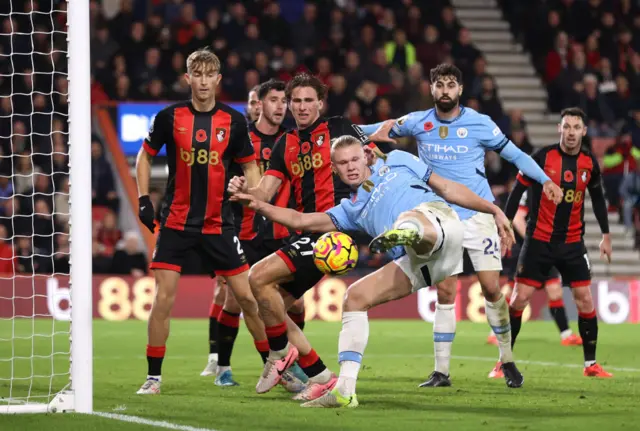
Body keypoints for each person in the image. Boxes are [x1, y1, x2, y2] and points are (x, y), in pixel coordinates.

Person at [229, 136, 515, 407]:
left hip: (441, 224)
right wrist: (258, 205)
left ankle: (407, 231)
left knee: (410, 218)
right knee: (355, 297)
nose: (351, 166)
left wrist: (494, 210)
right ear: (335, 168)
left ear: (366, 156)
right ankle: (344, 391)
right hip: (423, 264)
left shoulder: (399, 160)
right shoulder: (350, 209)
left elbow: (448, 188)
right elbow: (300, 219)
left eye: (355, 159)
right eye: (342, 163)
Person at [357, 63, 563, 388]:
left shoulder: (481, 124)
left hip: (479, 215)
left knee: (492, 288)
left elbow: (517, 155)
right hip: (441, 215)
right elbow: (373, 128)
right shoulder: (418, 121)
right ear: (431, 88)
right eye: (439, 84)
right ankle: (441, 371)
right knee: (446, 289)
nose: (445, 90)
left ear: (460, 90)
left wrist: (546, 179)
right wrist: (336, 131)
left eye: (451, 84)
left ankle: (507, 359)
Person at [227, 73, 371, 401]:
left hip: (333, 231)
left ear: (320, 103)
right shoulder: (286, 143)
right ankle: (319, 374)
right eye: (297, 101)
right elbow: (264, 191)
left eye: (309, 100)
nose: (302, 106)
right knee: (270, 305)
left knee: (257, 277)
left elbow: (369, 162)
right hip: (303, 233)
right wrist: (243, 191)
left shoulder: (339, 129)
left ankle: (279, 356)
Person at [134, 48, 269, 394]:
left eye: (211, 75)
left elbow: (250, 163)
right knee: (163, 300)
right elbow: (144, 157)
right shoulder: (169, 117)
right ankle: (153, 378)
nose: (204, 81)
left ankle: (273, 364)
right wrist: (144, 198)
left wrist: (254, 195)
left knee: (248, 299)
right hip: (176, 223)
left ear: (219, 80)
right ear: (188, 78)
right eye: (198, 74)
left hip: (218, 224)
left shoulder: (234, 121)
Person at [200, 80, 307, 391]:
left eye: (283, 101)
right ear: (259, 103)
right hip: (242, 232)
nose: (280, 107)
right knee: (236, 300)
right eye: (273, 100)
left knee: (296, 305)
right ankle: (223, 365)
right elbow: (217, 178)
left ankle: (292, 359)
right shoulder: (240, 139)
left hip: (280, 233)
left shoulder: (291, 141)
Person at [504, 107, 613, 378]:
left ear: (584, 131)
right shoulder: (542, 157)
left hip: (573, 243)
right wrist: (504, 224)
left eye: (576, 127)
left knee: (585, 300)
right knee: (519, 300)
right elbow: (517, 190)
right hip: (539, 241)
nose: (571, 132)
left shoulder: (588, 162)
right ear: (559, 129)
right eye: (566, 127)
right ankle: (504, 361)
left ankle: (591, 365)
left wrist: (606, 235)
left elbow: (598, 199)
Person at [487, 189, 582, 376]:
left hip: (548, 249)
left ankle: (566, 335)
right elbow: (517, 218)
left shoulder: (557, 189)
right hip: (529, 250)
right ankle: (496, 334)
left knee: (555, 290)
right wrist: (534, 239)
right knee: (517, 297)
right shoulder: (529, 188)